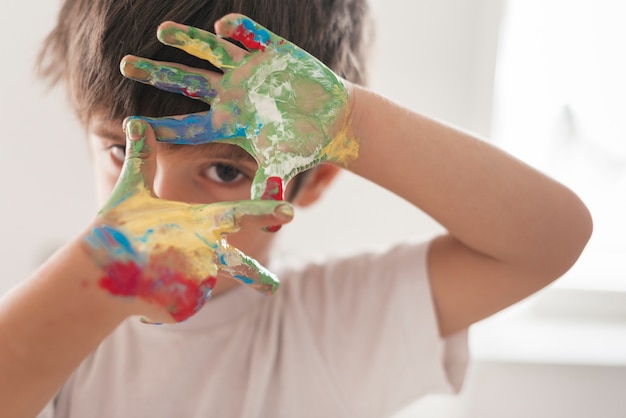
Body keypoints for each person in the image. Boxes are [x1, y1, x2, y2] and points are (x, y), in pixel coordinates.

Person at [0, 0, 592, 417]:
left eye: (225, 170)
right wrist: (101, 275)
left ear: (315, 181)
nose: (162, 204)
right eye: (123, 150)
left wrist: (349, 121)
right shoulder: (59, 314)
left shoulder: (330, 324)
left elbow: (548, 240)